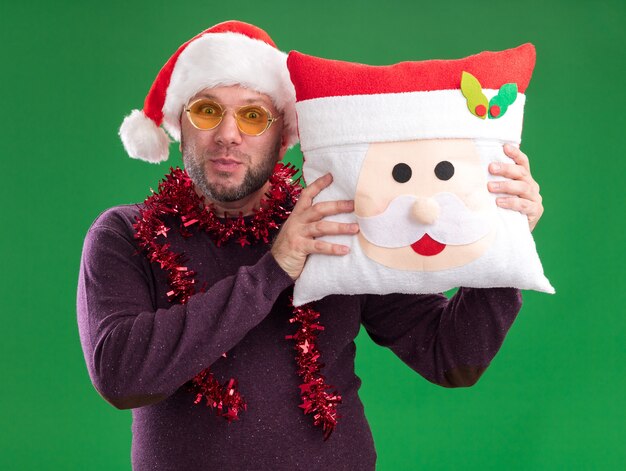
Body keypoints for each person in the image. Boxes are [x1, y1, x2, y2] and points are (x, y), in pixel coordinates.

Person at [77, 21, 544, 470]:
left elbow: (450, 360)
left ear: (284, 140)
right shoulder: (126, 234)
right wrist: (274, 269)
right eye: (207, 110)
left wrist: (505, 236)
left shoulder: (335, 223)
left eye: (254, 115)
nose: (228, 134)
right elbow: (121, 376)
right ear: (180, 125)